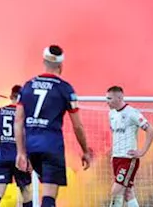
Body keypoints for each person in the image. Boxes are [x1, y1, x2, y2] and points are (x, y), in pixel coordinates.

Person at [15, 45, 93, 207]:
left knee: (46, 195)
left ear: (43, 61)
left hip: (32, 148)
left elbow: (18, 121)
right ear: (61, 66)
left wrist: (21, 152)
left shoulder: (28, 86)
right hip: (52, 147)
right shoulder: (64, 88)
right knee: (49, 197)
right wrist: (85, 150)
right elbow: (77, 126)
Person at [106, 86, 153, 207]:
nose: (107, 101)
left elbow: (151, 131)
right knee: (128, 193)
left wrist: (142, 151)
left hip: (128, 159)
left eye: (109, 98)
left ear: (119, 97)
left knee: (116, 191)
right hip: (116, 158)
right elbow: (117, 134)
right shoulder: (111, 114)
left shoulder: (132, 113)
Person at [0, 86, 31, 207]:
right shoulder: (25, 113)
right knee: (25, 192)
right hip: (19, 157)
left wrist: (5, 140)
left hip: (2, 156)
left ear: (10, 96)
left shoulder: (0, 111)